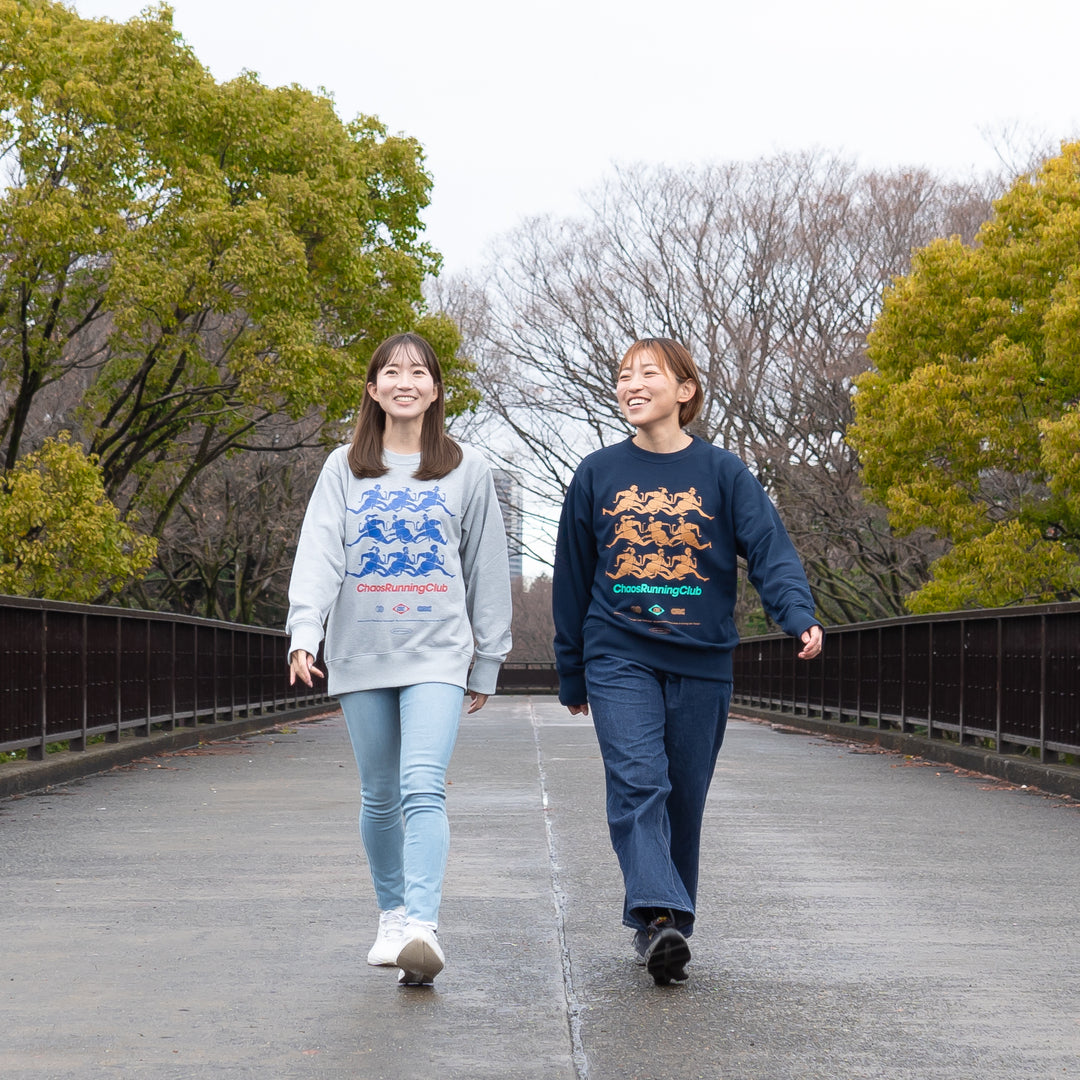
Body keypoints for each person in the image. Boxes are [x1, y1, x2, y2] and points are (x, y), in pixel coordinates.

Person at [552, 337, 823, 986]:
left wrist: (797, 613)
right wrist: (573, 670)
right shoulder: (596, 474)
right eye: (623, 375)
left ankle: (666, 931)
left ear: (686, 390)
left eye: (648, 373)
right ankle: (658, 915)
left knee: (684, 801)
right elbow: (572, 577)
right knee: (639, 782)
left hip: (702, 661)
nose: (631, 383)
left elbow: (768, 547)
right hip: (619, 651)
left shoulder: (723, 473)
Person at [286, 331, 512, 987]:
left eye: (417, 371)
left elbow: (486, 569)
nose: (404, 381)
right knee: (380, 795)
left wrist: (488, 660)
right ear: (373, 388)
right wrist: (306, 631)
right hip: (361, 652)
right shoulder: (343, 468)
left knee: (421, 784)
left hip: (437, 653)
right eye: (391, 371)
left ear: (436, 389)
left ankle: (422, 923)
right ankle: (391, 918)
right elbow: (322, 550)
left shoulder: (467, 470)